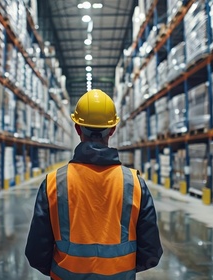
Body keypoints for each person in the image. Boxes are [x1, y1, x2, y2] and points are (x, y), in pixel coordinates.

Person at [25, 89, 162, 279]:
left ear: (77, 129)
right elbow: (151, 253)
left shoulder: (53, 183)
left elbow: (36, 253)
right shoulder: (135, 184)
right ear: (112, 130)